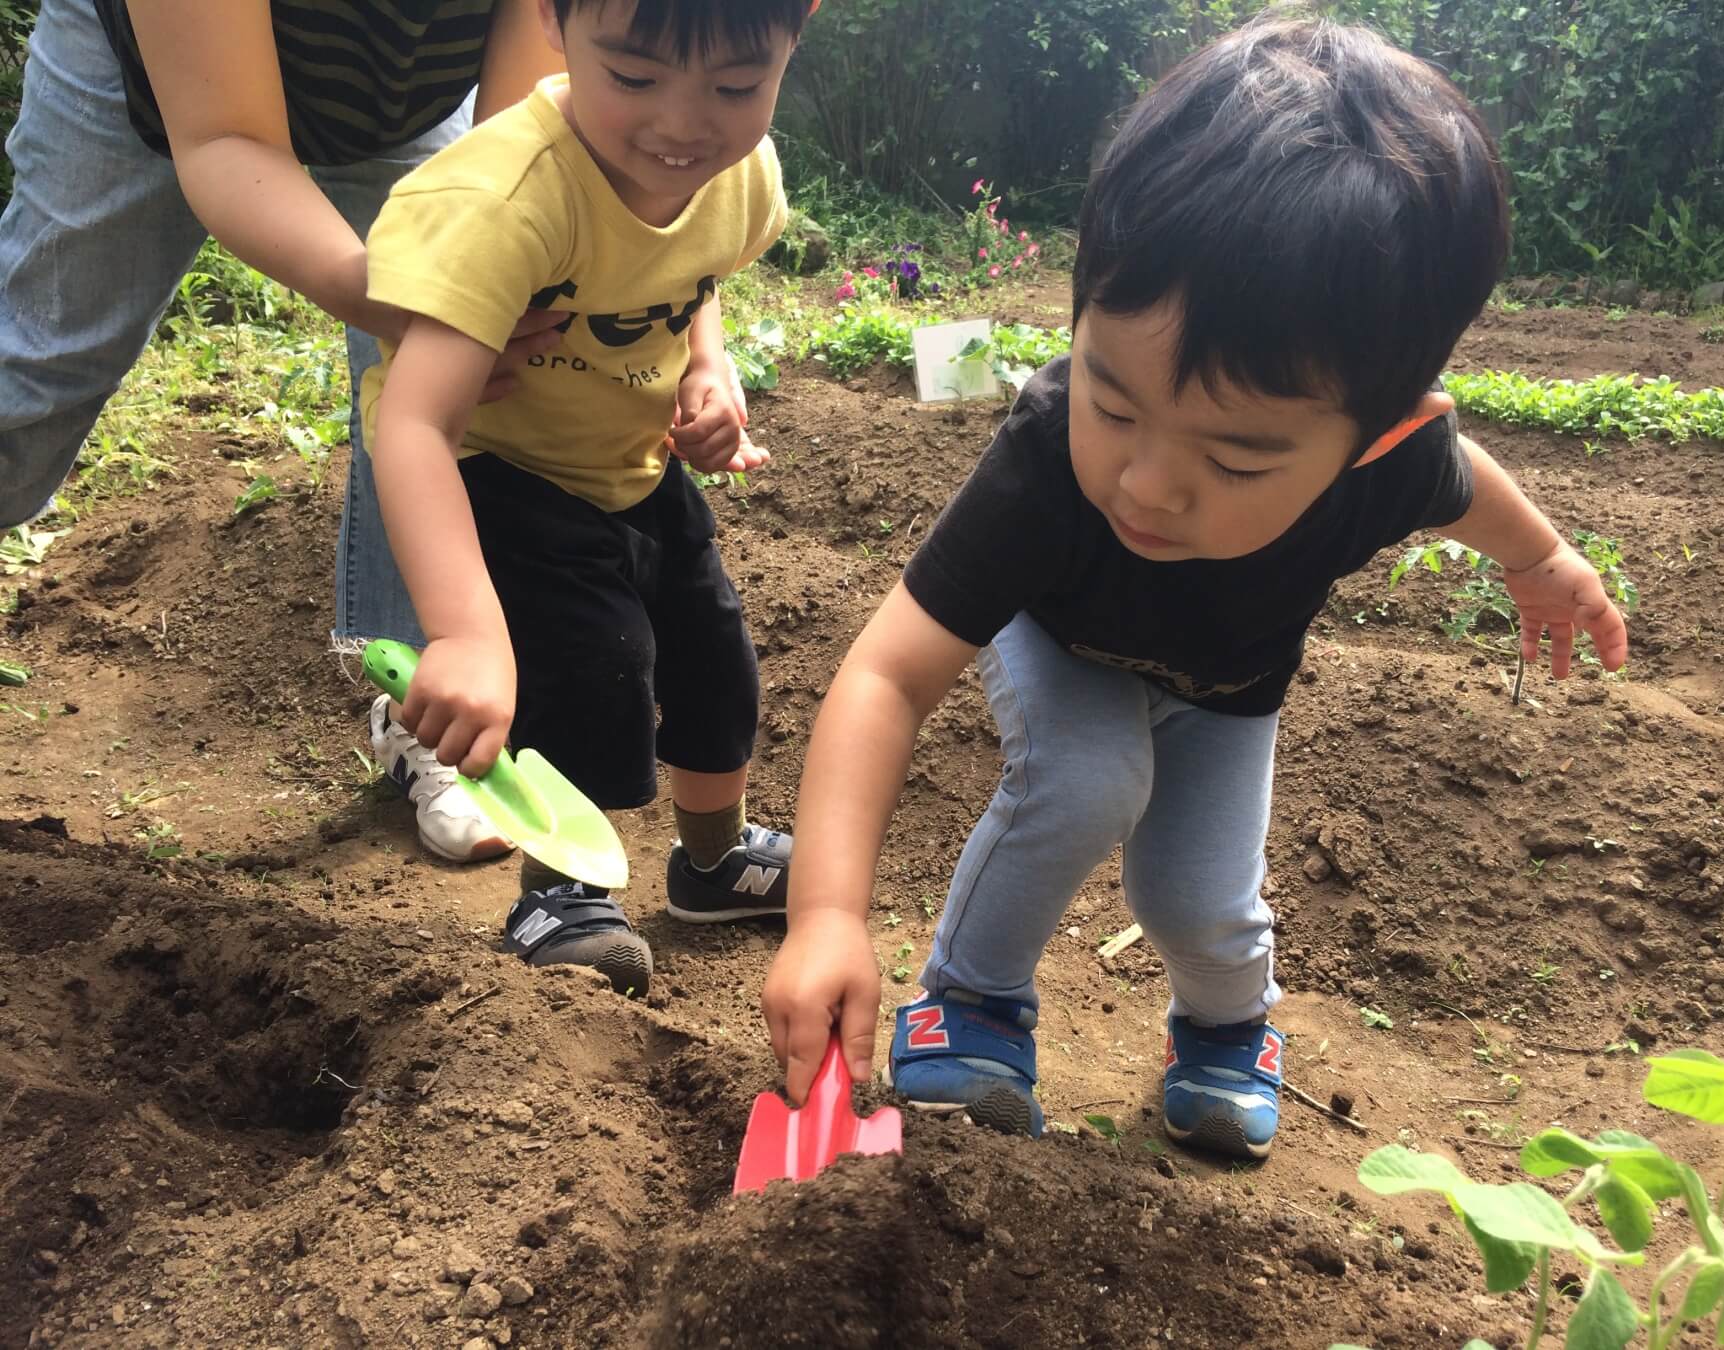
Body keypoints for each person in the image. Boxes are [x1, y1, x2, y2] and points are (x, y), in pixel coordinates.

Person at [760, 16, 1630, 1159]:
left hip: (1230, 689)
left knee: (1201, 897)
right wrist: (826, 914)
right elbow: (885, 673)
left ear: (1372, 441)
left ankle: (1228, 1033)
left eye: (1236, 459)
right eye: (1112, 404)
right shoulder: (1040, 471)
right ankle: (970, 999)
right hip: (1063, 641)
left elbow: (1472, 489)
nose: (1148, 484)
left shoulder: (1396, 468)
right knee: (1084, 777)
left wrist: (1543, 564)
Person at [0, 0, 568, 864]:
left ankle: (427, 699)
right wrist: (366, 285)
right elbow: (229, 137)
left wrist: (481, 279)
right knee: (39, 362)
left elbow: (519, 142)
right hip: (150, 70)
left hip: (405, 98)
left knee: (466, 374)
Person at [361, 0, 814, 993]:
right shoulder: (508, 199)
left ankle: (713, 861)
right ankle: (557, 890)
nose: (683, 127)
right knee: (595, 663)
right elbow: (413, 423)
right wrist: (471, 635)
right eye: (636, 78)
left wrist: (708, 369)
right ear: (554, 22)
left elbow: (694, 277)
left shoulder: (738, 171)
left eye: (736, 85)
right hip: (501, 458)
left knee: (714, 660)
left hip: (631, 455)